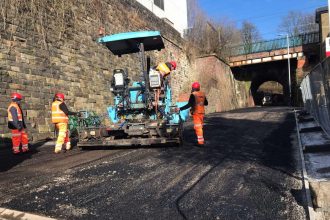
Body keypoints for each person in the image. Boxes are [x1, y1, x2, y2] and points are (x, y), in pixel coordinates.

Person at [177, 82, 208, 146]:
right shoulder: (202, 94)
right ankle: (201, 141)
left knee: (198, 127)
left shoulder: (193, 95)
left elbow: (189, 105)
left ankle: (201, 142)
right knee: (200, 127)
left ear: (193, 88)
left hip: (196, 113)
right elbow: (206, 103)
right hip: (201, 112)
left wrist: (180, 108)